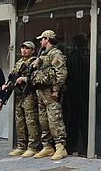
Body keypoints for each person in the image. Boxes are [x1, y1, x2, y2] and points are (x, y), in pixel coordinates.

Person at [19, 29, 68, 160]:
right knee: (43, 120)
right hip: (41, 92)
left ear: (48, 39)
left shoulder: (55, 53)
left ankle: (60, 147)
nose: (40, 41)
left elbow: (61, 73)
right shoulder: (43, 54)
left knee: (54, 119)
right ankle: (47, 146)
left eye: (42, 39)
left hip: (50, 92)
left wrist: (56, 89)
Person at [2, 41, 41, 157]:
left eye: (27, 48)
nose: (24, 50)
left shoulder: (35, 61)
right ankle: (21, 145)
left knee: (31, 121)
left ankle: (32, 146)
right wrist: (7, 84)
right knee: (19, 121)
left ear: (32, 50)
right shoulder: (19, 62)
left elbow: (36, 77)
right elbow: (12, 76)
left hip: (29, 94)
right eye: (22, 48)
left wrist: (24, 79)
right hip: (19, 95)